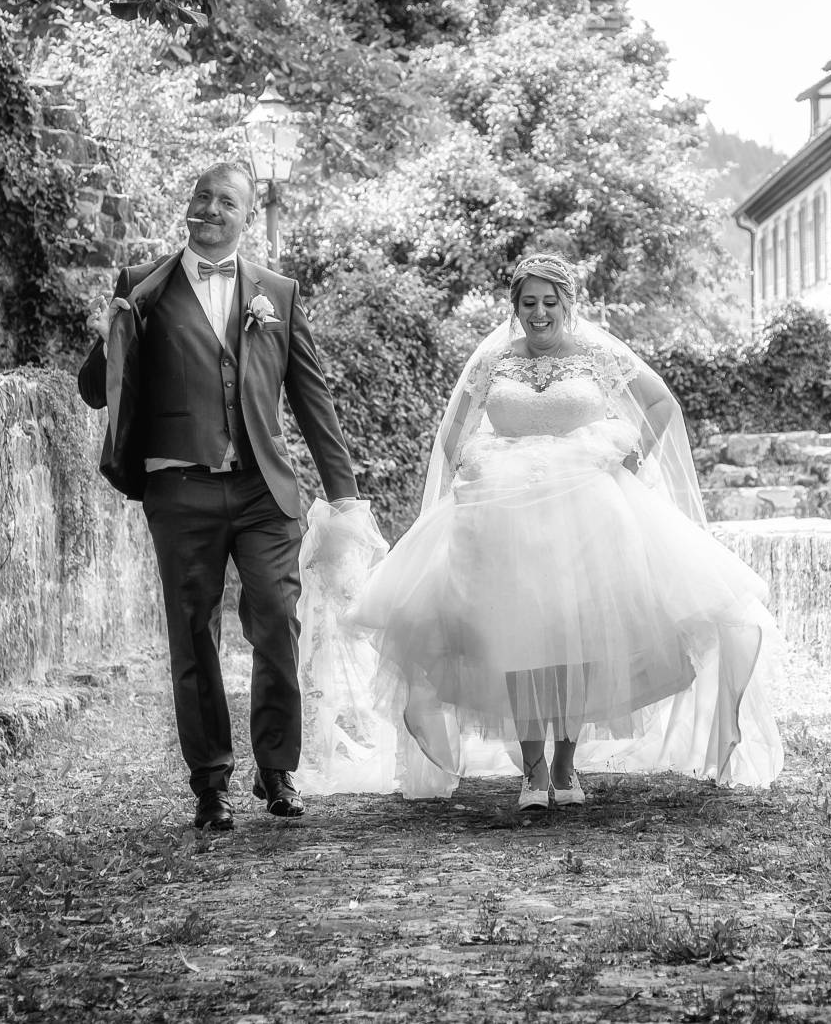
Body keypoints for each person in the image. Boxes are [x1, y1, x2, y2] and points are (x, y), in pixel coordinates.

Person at [308, 253, 782, 807]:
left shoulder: (596, 352)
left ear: (567, 304)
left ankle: (565, 764)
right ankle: (532, 770)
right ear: (514, 309)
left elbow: (659, 403)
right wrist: (465, 467)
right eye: (528, 303)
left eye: (549, 303)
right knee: (516, 637)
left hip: (585, 515)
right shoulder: (494, 361)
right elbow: (453, 430)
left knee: (573, 634)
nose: (539, 314)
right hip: (502, 515)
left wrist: (633, 456)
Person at [77, 160, 359, 829]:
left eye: (224, 201)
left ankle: (278, 770)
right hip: (180, 489)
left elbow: (311, 398)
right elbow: (95, 390)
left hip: (265, 490)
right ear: (188, 205)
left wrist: (344, 493)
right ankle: (210, 782)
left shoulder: (278, 294)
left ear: (244, 215)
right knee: (193, 635)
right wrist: (111, 330)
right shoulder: (142, 285)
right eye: (201, 196)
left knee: (275, 622)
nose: (208, 208)